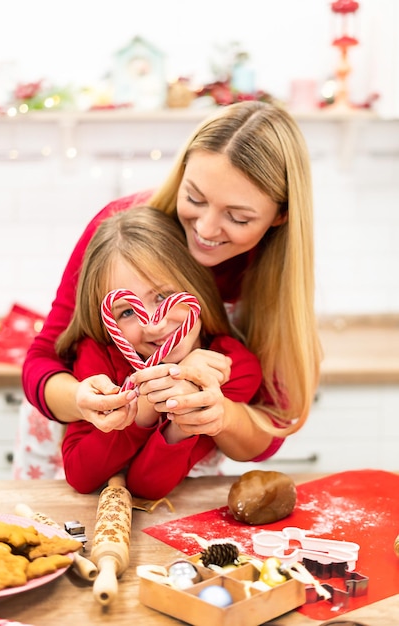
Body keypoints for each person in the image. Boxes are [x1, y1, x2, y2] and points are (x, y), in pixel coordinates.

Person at [22, 100, 322, 475]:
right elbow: (42, 360)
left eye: (238, 217)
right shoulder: (119, 233)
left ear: (281, 215)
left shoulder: (274, 284)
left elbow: (269, 428)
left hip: (176, 475)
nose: (207, 229)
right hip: (71, 455)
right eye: (194, 198)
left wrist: (219, 414)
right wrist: (80, 401)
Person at [58, 206, 263, 497]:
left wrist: (186, 397)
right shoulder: (97, 355)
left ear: (196, 286)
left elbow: (147, 486)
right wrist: (143, 406)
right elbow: (80, 475)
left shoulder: (231, 368)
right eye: (128, 311)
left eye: (164, 296)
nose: (153, 325)